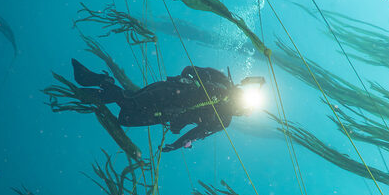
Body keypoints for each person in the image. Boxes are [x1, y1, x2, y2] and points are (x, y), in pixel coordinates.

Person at [71, 59, 265, 152]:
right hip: (169, 93)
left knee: (125, 119)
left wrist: (177, 145)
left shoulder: (223, 121)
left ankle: (102, 86)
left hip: (167, 115)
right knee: (128, 102)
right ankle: (100, 82)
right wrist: (197, 81)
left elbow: (196, 134)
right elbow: (189, 69)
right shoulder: (222, 81)